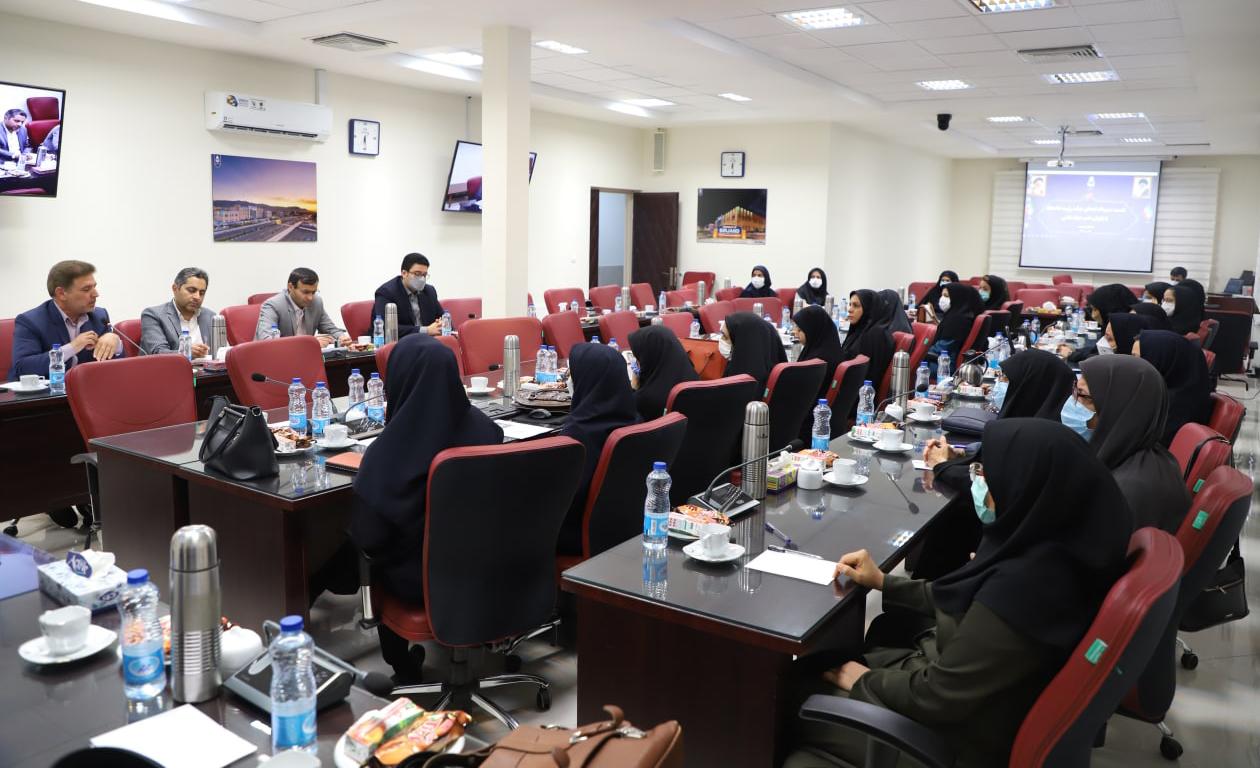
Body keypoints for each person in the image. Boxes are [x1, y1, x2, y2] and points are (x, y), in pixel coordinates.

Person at [786, 419, 1133, 768]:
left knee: (785, 697)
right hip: (965, 697)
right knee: (848, 649)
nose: (978, 482)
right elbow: (963, 597)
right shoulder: (1056, 550)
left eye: (985, 474)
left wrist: (865, 681)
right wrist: (883, 582)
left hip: (946, 741)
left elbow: (937, 697)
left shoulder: (1025, 590)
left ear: (1024, 486)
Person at [350, 334, 503, 672]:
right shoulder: (488, 430)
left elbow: (369, 539)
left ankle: (402, 665)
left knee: (354, 554)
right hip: (492, 568)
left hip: (421, 583)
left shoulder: (387, 452)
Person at [1079, 355, 1190, 532]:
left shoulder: (1129, 491)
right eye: (1075, 392)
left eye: (1084, 396)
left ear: (1120, 408)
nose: (1075, 404)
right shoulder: (1133, 450)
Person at [558, 343, 639, 555]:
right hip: (626, 529)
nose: (569, 381)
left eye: (571, 375)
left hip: (579, 536)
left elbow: (560, 501)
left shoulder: (576, 437)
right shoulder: (637, 421)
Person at [9, 260, 124, 379]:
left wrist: (115, 343)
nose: (96, 294)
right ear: (61, 293)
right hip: (48, 390)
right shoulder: (31, 321)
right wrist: (72, 347)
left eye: (94, 287)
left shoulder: (99, 316)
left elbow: (116, 367)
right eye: (86, 289)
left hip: (88, 388)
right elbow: (22, 368)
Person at [1134, 330, 1212, 446]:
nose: (1132, 364)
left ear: (1161, 360)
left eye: (1138, 358)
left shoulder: (1173, 411)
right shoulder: (1176, 391)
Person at [256, 267, 351, 345]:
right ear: (290, 287)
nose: (310, 298)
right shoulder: (272, 306)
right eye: (305, 292)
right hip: (275, 359)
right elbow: (268, 342)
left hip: (305, 358)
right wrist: (309, 343)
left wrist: (342, 337)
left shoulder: (316, 302)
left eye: (313, 292)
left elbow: (330, 329)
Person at [793, 305, 846, 438]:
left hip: (809, 422)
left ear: (812, 330)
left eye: (800, 329)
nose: (795, 332)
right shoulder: (830, 348)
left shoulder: (818, 360)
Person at [628, 325, 698, 422]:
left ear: (648, 357)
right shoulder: (693, 377)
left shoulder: (645, 399)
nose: (636, 361)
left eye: (637, 357)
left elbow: (628, 409)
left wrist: (634, 386)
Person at [140, 267, 216, 356]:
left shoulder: (210, 316)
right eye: (191, 290)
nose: (197, 297)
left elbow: (221, 351)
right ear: (175, 288)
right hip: (169, 365)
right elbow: (158, 353)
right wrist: (187, 352)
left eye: (202, 293)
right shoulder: (153, 315)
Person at [372, 253, 444, 338]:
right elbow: (387, 328)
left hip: (426, 341)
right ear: (404, 273)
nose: (422, 279)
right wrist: (426, 330)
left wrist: (442, 324)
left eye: (424, 275)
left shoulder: (429, 291)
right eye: (417, 274)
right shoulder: (386, 292)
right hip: (399, 342)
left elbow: (443, 317)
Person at [838, 291, 894, 396]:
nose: (849, 309)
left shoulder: (875, 335)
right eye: (850, 304)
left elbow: (870, 377)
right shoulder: (859, 331)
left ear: (869, 309)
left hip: (860, 398)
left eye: (856, 306)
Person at [925, 282, 982, 377]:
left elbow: (942, 348)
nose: (942, 299)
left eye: (946, 296)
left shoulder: (958, 320)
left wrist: (921, 351)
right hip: (941, 361)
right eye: (942, 295)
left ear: (957, 298)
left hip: (943, 366)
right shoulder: (961, 315)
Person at [721, 311, 787, 389]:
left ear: (742, 341)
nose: (721, 339)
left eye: (725, 336)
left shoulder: (744, 382)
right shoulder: (776, 373)